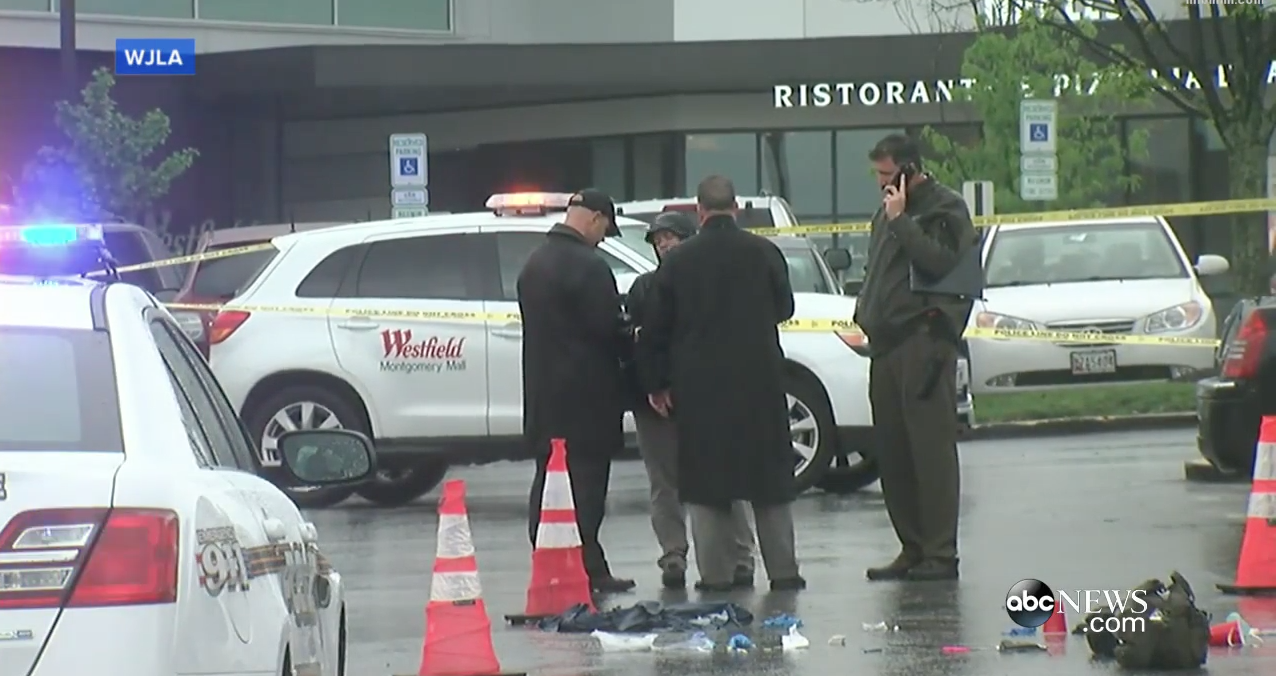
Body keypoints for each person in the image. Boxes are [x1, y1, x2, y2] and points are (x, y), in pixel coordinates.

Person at [638, 175, 805, 592]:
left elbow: (655, 329)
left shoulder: (678, 262)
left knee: (707, 483)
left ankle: (716, 576)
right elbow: (784, 308)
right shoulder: (764, 251)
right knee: (768, 480)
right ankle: (783, 572)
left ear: (699, 211)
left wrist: (657, 384)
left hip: (700, 388)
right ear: (737, 209)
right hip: (759, 382)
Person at [853, 133, 977, 582]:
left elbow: (941, 262)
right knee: (894, 451)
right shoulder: (885, 212)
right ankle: (912, 546)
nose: (881, 183)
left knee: (929, 451)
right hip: (885, 345)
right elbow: (880, 273)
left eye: (886, 174)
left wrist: (903, 221)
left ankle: (940, 553)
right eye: (878, 175)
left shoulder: (942, 208)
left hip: (924, 342)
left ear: (908, 168)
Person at [627, 211, 756, 590]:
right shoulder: (643, 287)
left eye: (672, 237)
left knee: (725, 478)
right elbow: (640, 342)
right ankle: (673, 555)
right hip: (655, 401)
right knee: (664, 483)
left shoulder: (708, 283)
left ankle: (741, 556)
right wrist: (653, 387)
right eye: (658, 240)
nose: (664, 245)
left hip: (708, 396)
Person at [518, 188, 635, 593]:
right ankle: (589, 569)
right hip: (588, 399)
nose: (604, 238)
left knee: (548, 482)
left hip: (543, 395)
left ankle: (549, 560)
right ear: (597, 218)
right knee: (586, 487)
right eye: (605, 229)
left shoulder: (534, 263)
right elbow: (608, 329)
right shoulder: (589, 266)